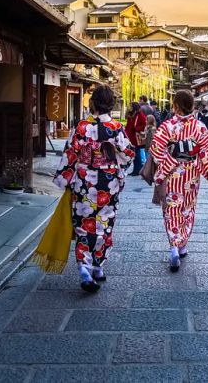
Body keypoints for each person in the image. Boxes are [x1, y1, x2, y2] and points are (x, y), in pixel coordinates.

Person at [53, 85, 134, 292]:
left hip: (83, 183)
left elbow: (70, 155)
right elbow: (128, 154)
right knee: (104, 224)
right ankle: (98, 266)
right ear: (110, 105)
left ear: (92, 104)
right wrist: (116, 163)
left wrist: (64, 180)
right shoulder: (116, 127)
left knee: (84, 224)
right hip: (108, 184)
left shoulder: (80, 127)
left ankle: (84, 268)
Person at [150, 90, 208, 272]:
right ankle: (182, 245)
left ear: (175, 106)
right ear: (192, 106)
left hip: (171, 174)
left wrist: (168, 162)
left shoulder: (166, 126)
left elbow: (156, 150)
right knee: (187, 210)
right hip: (191, 175)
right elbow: (206, 153)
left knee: (171, 210)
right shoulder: (200, 127)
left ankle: (174, 246)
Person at [125, 102, 147, 176]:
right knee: (134, 155)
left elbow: (145, 124)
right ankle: (136, 169)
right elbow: (128, 126)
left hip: (136, 138)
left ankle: (137, 169)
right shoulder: (130, 115)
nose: (129, 107)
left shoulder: (139, 115)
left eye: (131, 106)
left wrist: (137, 128)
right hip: (131, 137)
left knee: (136, 154)